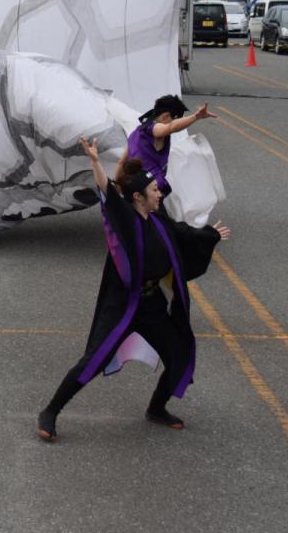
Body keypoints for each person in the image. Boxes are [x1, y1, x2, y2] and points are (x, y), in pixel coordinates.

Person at [36, 138, 230, 441]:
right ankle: (50, 411)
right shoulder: (126, 219)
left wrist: (209, 235)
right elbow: (108, 193)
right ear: (138, 196)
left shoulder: (159, 223)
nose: (159, 195)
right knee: (94, 360)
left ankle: (156, 409)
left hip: (150, 306)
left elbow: (183, 233)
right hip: (122, 306)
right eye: (154, 191)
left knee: (178, 354)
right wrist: (95, 162)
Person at [125, 95, 215, 200]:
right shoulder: (154, 129)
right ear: (165, 116)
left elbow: (122, 162)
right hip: (149, 192)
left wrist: (117, 186)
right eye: (176, 119)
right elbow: (171, 127)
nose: (179, 124)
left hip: (135, 188)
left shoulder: (136, 132)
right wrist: (196, 117)